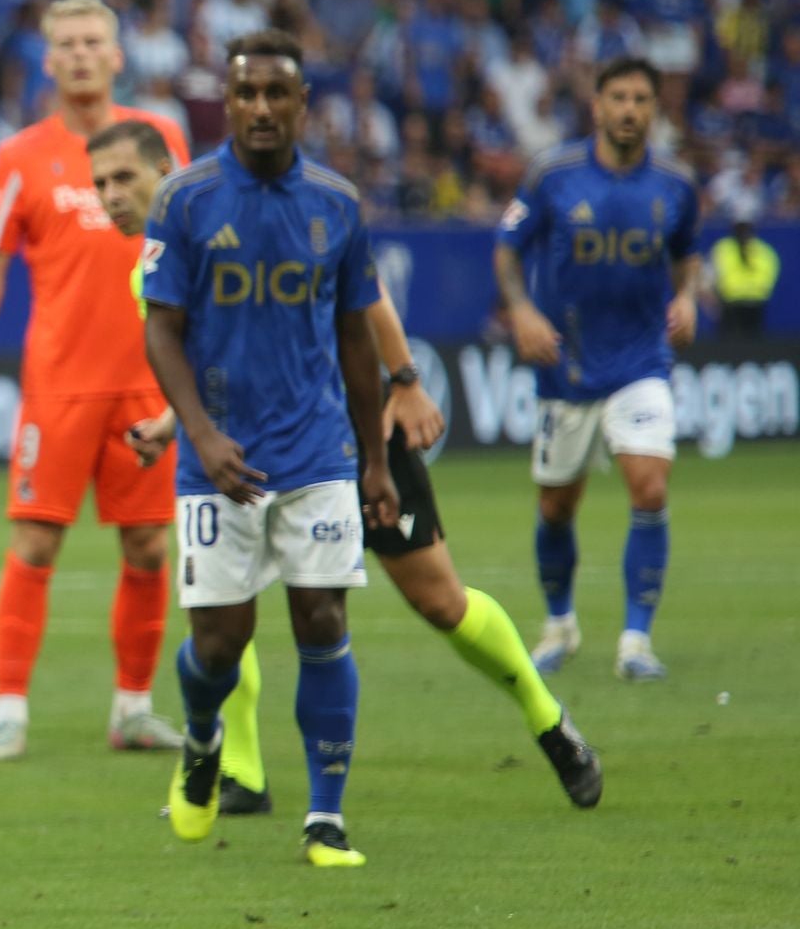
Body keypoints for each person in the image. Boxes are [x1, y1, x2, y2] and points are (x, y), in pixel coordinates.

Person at [103, 122, 602, 817]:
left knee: (440, 602)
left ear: (167, 170)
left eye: (124, 178)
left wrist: (403, 379)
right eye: (100, 184)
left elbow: (363, 304)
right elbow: (225, 358)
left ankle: (549, 721)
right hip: (248, 452)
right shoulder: (153, 266)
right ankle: (240, 772)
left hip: (349, 434)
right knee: (222, 618)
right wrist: (171, 426)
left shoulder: (274, 209)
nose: (110, 196)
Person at [141, 28, 397, 869]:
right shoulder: (184, 201)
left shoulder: (338, 204)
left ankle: (326, 816)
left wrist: (375, 460)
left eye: (274, 93)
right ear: (228, 99)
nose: (258, 107)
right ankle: (205, 733)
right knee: (219, 643)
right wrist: (204, 434)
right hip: (219, 460)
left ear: (301, 104)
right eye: (244, 93)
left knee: (322, 618)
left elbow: (358, 339)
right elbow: (162, 333)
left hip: (316, 452)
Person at [0, 0, 193, 765]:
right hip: (58, 384)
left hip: (150, 382)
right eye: (67, 44)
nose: (81, 54)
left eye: (94, 41)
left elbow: (196, 248)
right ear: (48, 61)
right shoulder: (22, 155)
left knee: (150, 547)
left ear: (118, 55)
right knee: (35, 541)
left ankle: (134, 708)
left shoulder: (163, 140)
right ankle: (10, 708)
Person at [495, 56, 701, 682]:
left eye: (642, 98)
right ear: (598, 107)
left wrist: (688, 295)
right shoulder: (553, 175)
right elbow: (507, 247)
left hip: (641, 361)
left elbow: (687, 254)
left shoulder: (675, 183)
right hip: (568, 366)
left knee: (650, 487)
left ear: (654, 109)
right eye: (619, 98)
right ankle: (560, 623)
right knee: (556, 506)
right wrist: (522, 311)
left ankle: (636, 641)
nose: (631, 110)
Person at [708, 210, 780, 338]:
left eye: (746, 228)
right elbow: (714, 274)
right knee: (728, 345)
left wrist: (753, 290)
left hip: (755, 304)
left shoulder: (763, 250)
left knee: (753, 343)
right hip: (731, 304)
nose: (743, 232)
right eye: (740, 228)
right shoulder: (723, 248)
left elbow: (768, 276)